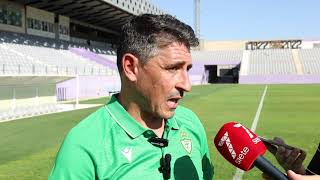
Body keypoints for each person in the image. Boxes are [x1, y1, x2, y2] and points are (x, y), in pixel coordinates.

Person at [49, 14, 214, 180]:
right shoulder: (83, 146)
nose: (187, 85)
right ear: (130, 67)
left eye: (187, 69)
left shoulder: (191, 123)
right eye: (173, 68)